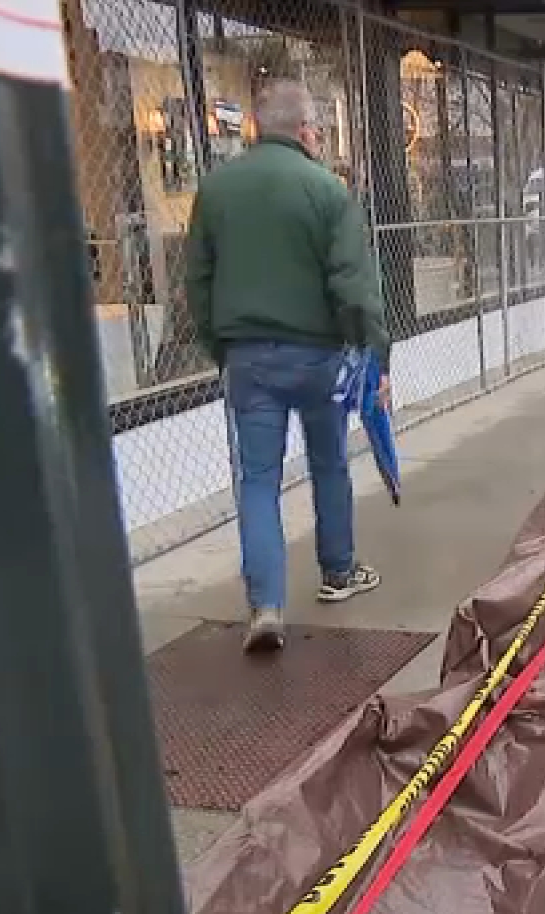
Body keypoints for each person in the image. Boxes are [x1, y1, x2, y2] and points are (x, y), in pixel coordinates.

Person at [185, 80, 386, 653]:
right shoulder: (326, 190)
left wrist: (220, 347)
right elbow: (353, 285)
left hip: (248, 357)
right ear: (304, 131)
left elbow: (197, 281)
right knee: (329, 463)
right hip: (319, 356)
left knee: (257, 481)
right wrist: (373, 355)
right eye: (317, 128)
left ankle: (267, 605)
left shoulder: (216, 189)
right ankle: (338, 572)